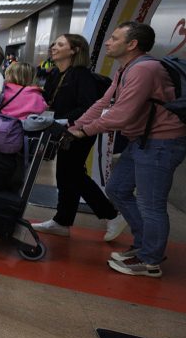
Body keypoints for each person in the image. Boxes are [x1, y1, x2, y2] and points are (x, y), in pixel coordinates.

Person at [69, 22, 186, 277]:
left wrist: (85, 131)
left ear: (131, 44)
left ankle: (149, 260)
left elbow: (121, 115)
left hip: (161, 142)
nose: (108, 42)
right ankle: (144, 244)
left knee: (151, 203)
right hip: (143, 141)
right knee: (117, 189)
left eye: (114, 38)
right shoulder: (127, 68)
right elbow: (104, 103)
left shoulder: (145, 69)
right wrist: (76, 125)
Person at [33, 34, 122, 238]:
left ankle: (111, 214)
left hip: (80, 132)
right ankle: (62, 221)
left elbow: (88, 106)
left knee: (73, 174)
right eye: (55, 43)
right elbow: (49, 102)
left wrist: (65, 121)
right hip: (63, 130)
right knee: (65, 175)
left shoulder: (81, 76)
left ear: (74, 50)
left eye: (60, 44)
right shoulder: (56, 73)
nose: (54, 47)